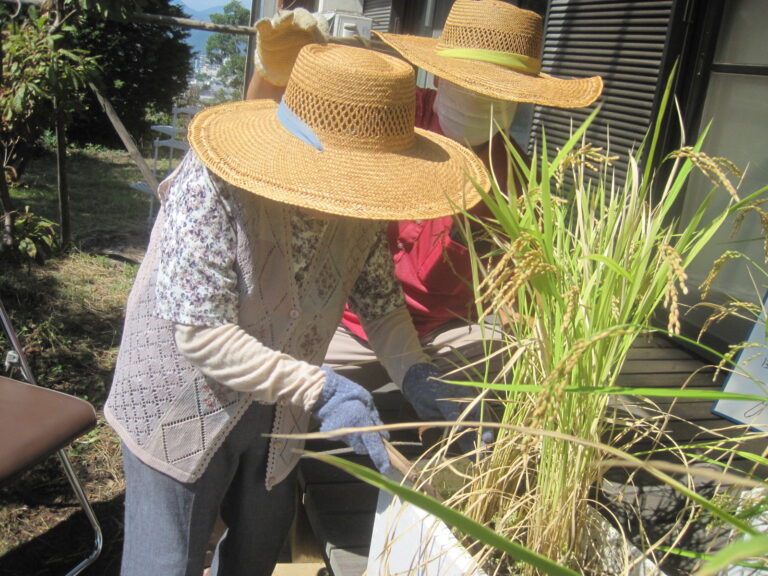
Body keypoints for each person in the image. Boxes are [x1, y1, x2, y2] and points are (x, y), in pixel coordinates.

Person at [104, 43, 491, 576]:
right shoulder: (213, 180)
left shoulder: (359, 199)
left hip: (279, 394)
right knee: (167, 561)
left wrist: (420, 376)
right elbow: (201, 336)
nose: (362, 189)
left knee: (259, 546)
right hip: (180, 393)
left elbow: (380, 307)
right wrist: (323, 390)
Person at [248, 1, 603, 419]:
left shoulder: (515, 178)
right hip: (341, 316)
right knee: (270, 396)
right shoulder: (393, 112)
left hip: (440, 332)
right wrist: (272, 71)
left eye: (496, 94)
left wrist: (541, 369)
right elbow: (271, 125)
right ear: (436, 75)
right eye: (467, 85)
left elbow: (522, 289)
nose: (479, 101)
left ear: (517, 101)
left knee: (488, 388)